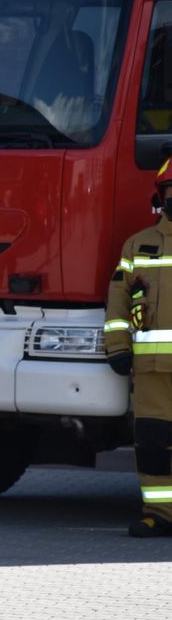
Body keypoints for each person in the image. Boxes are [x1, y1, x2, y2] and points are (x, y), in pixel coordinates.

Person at [105, 158, 172, 538]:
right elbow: (118, 300)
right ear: (159, 198)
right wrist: (117, 347)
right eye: (170, 193)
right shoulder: (139, 244)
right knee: (152, 444)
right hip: (150, 372)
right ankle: (160, 513)